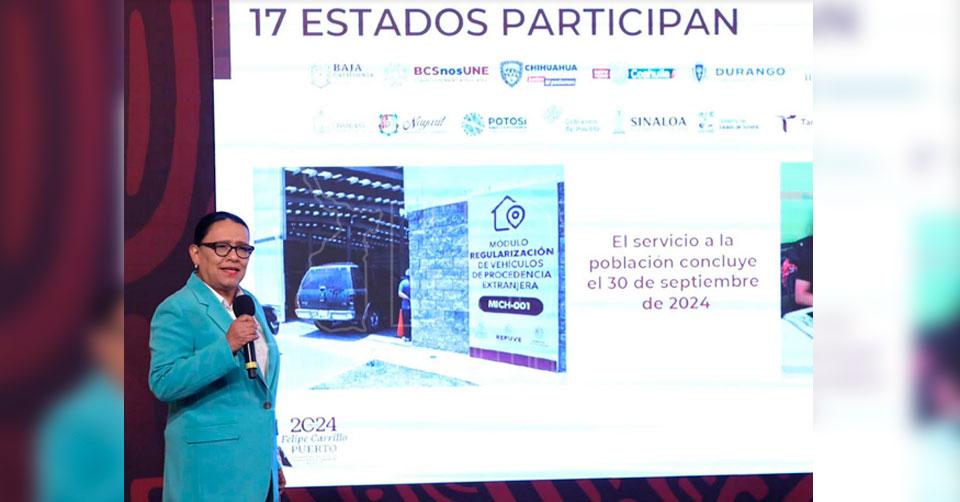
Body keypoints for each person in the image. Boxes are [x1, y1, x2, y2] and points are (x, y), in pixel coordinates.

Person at [149, 211, 283, 501]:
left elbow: (259, 392)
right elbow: (164, 381)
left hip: (258, 469)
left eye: (243, 248)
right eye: (222, 247)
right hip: (209, 474)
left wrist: (271, 455)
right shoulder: (177, 308)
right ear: (196, 254)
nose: (233, 257)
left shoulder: (249, 302)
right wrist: (227, 345)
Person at [398, 269, 412, 342]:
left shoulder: (403, 283)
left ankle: (407, 337)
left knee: (406, 322)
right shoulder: (413, 282)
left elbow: (399, 293)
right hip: (412, 306)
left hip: (405, 306)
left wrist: (407, 298)